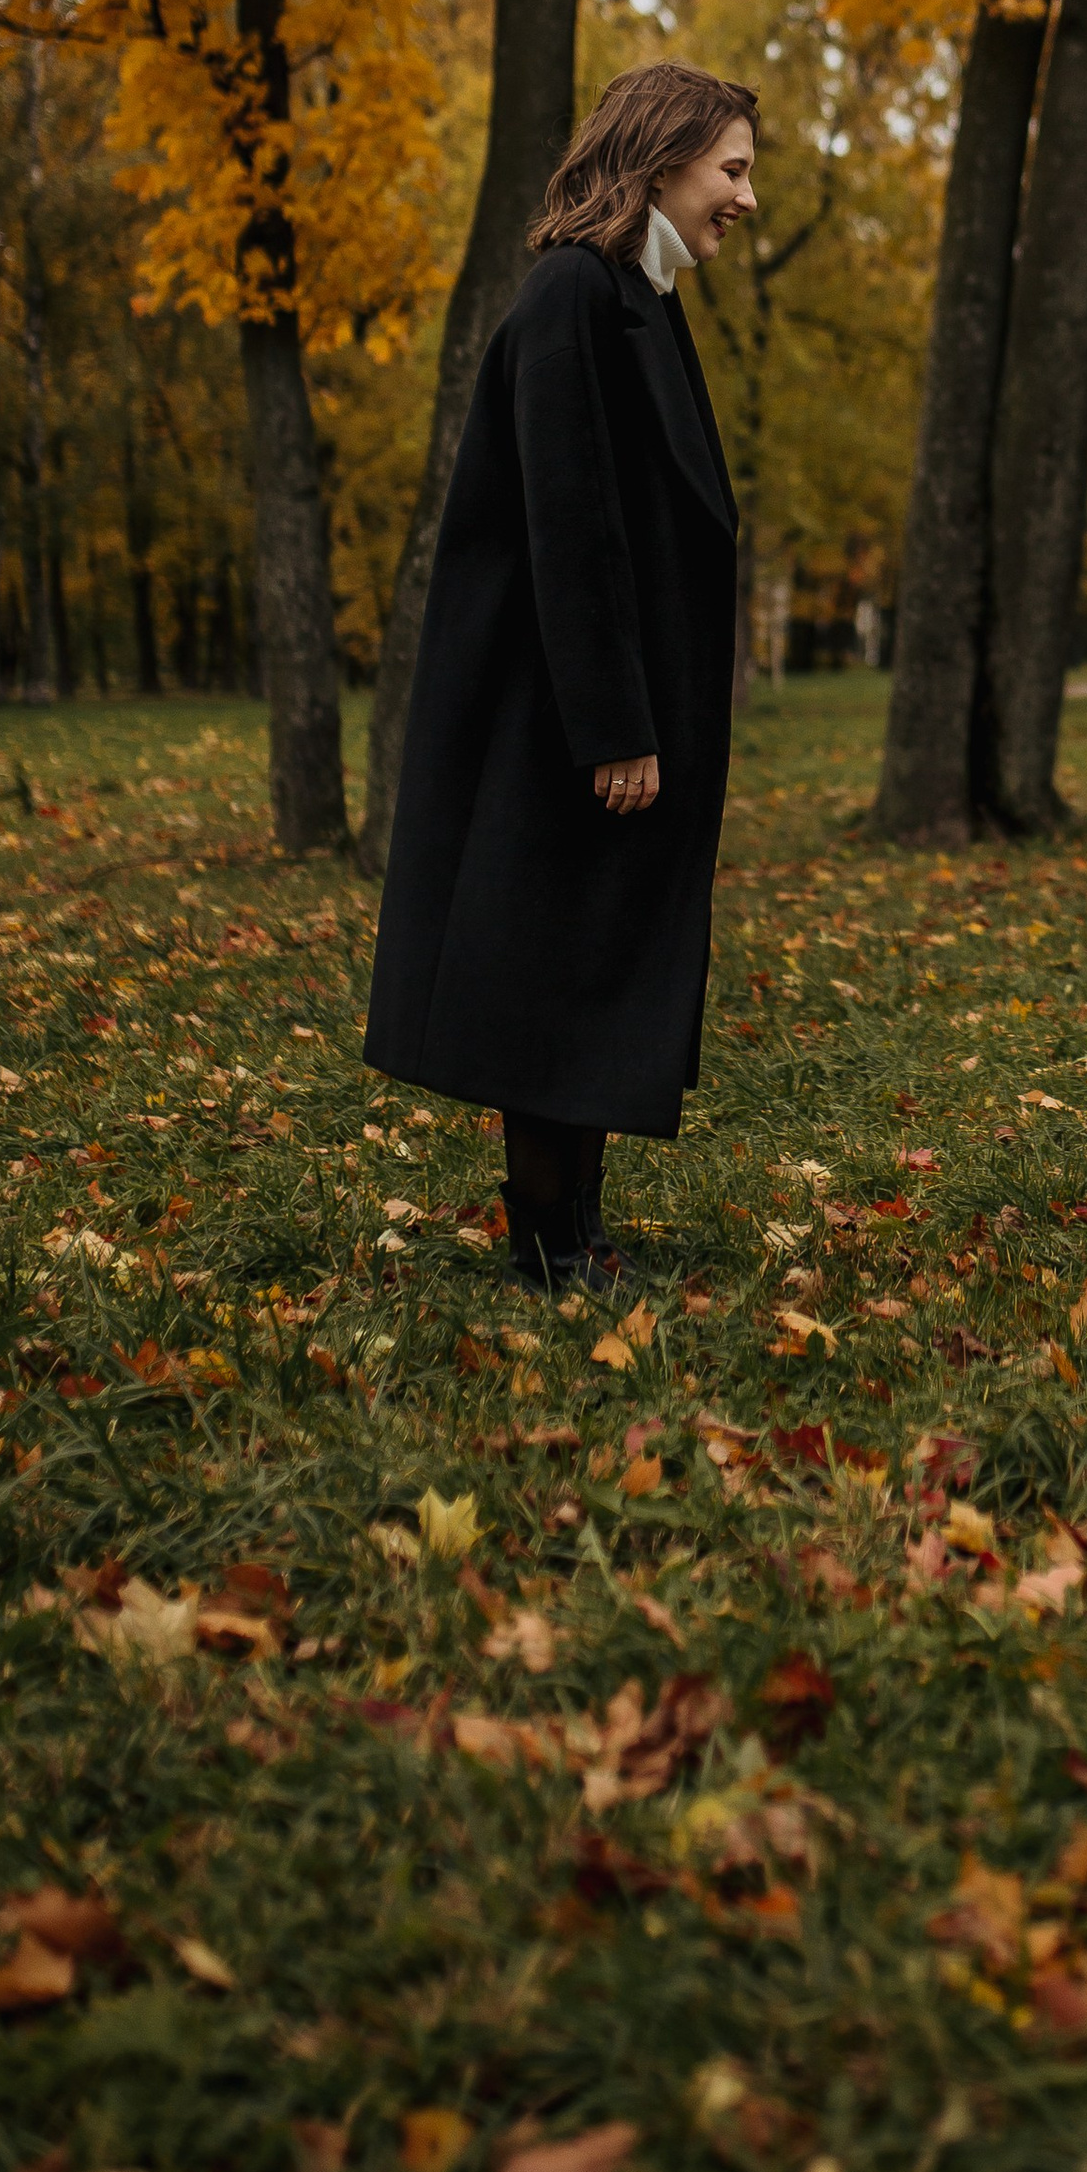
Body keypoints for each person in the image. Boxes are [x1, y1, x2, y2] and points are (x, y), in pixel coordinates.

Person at [363, 63, 758, 1299]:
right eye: (732, 169)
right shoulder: (573, 298)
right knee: (555, 971)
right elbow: (569, 525)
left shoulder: (633, 296)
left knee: (589, 966)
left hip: (598, 716)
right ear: (659, 157)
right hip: (555, 723)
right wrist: (615, 724)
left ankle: (571, 1230)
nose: (747, 197)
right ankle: (548, 1246)